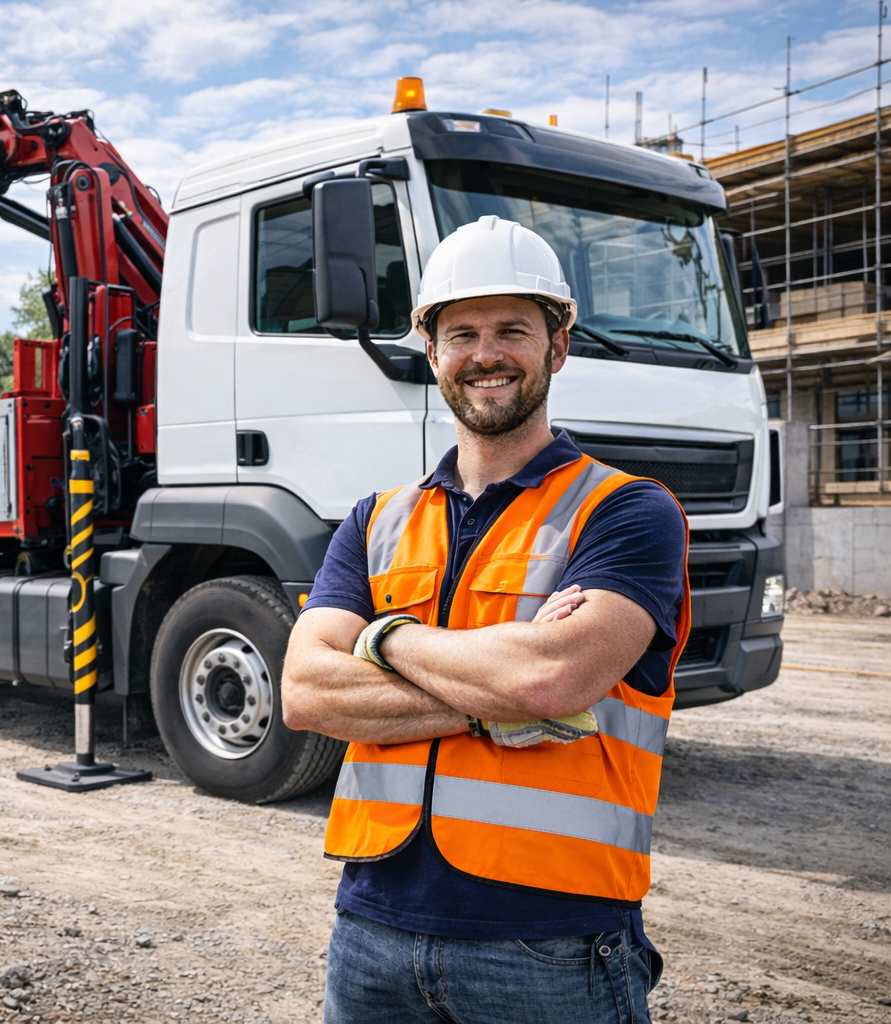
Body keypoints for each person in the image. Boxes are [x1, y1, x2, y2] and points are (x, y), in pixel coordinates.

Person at [281, 215, 690, 1024]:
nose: (486, 354)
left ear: (558, 346)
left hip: (552, 942)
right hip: (371, 928)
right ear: (431, 352)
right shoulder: (377, 519)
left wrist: (381, 638)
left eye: (512, 331)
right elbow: (304, 692)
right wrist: (497, 695)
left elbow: (549, 678)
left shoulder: (626, 511)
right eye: (462, 334)